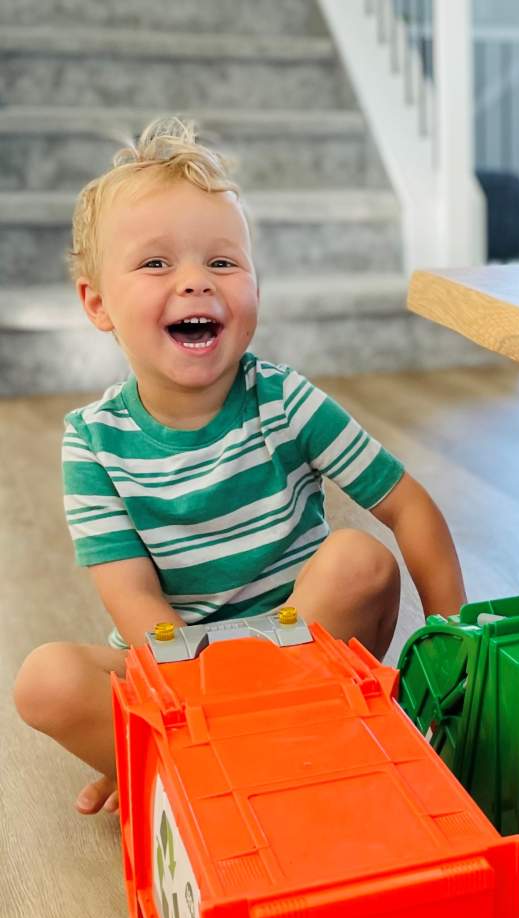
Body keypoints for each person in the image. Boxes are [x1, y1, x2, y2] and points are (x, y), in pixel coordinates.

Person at [12, 117, 466, 816]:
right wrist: (193, 702)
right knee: (45, 680)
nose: (196, 282)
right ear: (97, 303)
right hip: (174, 666)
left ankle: (192, 772)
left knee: (360, 561)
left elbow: (409, 507)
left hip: (295, 649)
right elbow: (135, 602)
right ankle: (235, 759)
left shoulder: (285, 400)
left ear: (256, 284)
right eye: (156, 264)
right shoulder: (93, 443)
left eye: (223, 263)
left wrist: (458, 652)